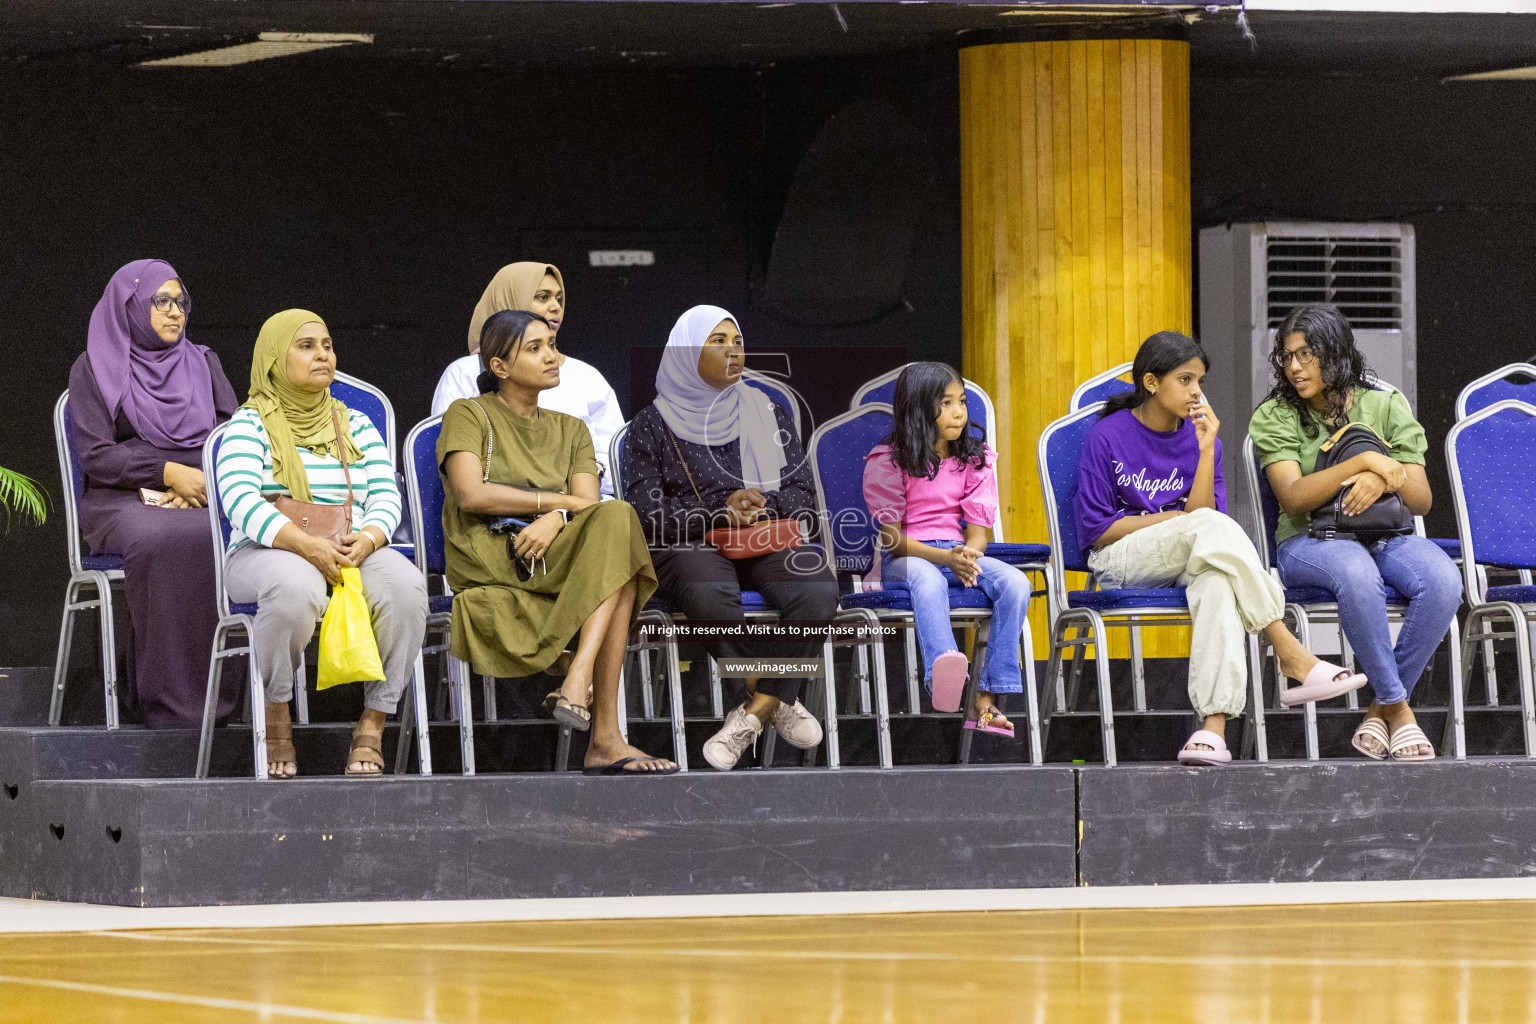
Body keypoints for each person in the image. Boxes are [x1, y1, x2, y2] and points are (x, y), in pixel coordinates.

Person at [1077, 331, 1363, 765]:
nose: (1197, 392)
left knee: (1217, 582)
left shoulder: (1200, 435)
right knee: (1211, 532)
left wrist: (1206, 448)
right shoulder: (1108, 436)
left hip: (1188, 551)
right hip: (1120, 559)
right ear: (1151, 383)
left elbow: (1206, 523)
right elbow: (1099, 530)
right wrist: (1175, 521)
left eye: (1200, 382)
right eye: (1186, 380)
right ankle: (1287, 646)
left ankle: (1212, 730)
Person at [439, 309, 676, 775]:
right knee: (621, 565)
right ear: (499, 366)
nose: (552, 356)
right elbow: (470, 493)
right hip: (495, 552)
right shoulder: (468, 413)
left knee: (618, 518)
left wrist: (559, 516)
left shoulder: (573, 429)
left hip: (556, 551)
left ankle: (579, 674)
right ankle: (604, 735)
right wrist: (549, 506)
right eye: (536, 348)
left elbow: (591, 505)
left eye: (550, 345)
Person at [216, 309, 428, 779]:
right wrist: (305, 546)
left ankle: (373, 722)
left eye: (327, 345)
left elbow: (385, 494)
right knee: (296, 589)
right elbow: (240, 500)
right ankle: (276, 714)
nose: (322, 355)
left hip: (350, 547)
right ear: (275, 357)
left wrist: (370, 539)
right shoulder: (250, 424)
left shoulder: (353, 422)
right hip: (266, 550)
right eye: (306, 346)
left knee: (407, 589)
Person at [626, 305, 838, 772]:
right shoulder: (650, 426)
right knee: (710, 596)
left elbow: (802, 493)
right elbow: (645, 513)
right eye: (717, 341)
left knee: (818, 590)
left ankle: (754, 712)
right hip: (691, 540)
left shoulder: (768, 411)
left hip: (761, 537)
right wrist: (719, 511)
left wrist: (762, 508)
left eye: (737, 341)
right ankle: (777, 695)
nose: (733, 350)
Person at [1251, 304, 1462, 762]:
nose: (1294, 367)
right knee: (1358, 574)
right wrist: (1365, 462)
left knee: (1445, 581)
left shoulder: (1385, 404)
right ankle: (1401, 711)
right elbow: (1293, 497)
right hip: (1309, 541)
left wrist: (1386, 478)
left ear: (1337, 352)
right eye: (1286, 357)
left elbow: (1421, 500)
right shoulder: (1276, 414)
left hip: (1387, 534)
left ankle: (1380, 706)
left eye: (1306, 354)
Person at [68, 259, 240, 728]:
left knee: (230, 535)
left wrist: (196, 481)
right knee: (165, 540)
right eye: (159, 302)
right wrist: (166, 472)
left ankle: (220, 704)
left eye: (180, 302)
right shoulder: (94, 368)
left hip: (202, 490)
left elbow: (235, 437)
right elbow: (98, 457)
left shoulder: (204, 362)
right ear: (130, 306)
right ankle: (166, 706)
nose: (174, 312)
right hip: (120, 496)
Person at [862, 362, 1033, 737]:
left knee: (1017, 584)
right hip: (905, 559)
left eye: (962, 401)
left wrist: (969, 556)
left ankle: (985, 698)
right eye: (946, 403)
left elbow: (978, 534)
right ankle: (944, 670)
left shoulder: (975, 458)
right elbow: (891, 538)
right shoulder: (888, 460)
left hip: (957, 554)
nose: (959, 411)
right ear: (919, 408)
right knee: (927, 580)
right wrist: (946, 558)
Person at [431, 262, 623, 495]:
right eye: (543, 297)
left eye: (559, 299)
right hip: (500, 509)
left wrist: (575, 486)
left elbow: (616, 460)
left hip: (581, 500)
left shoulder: (588, 376)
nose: (555, 307)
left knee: (617, 513)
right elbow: (455, 464)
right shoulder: (463, 373)